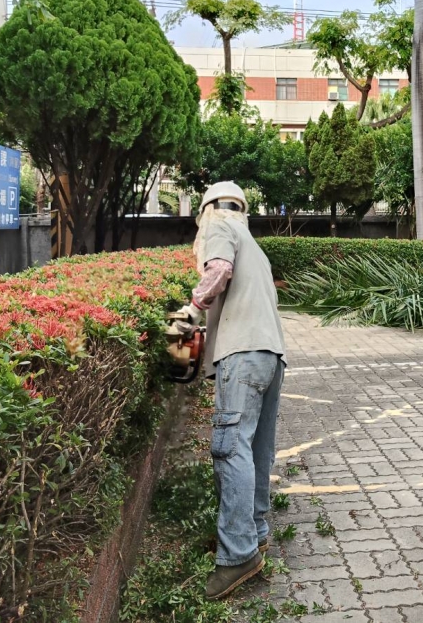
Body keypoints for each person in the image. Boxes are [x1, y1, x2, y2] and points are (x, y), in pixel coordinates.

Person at [176, 181, 286, 601]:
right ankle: (254, 533)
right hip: (271, 355)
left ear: (207, 209)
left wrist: (190, 310)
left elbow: (219, 271)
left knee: (230, 447)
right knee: (257, 448)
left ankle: (238, 554)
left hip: (242, 356)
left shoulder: (218, 226)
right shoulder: (254, 245)